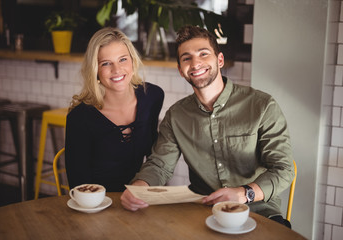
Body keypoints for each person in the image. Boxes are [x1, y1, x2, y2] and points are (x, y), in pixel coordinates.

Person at [120, 25, 295, 227]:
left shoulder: (262, 106)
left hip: (258, 212)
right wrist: (139, 188)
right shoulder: (176, 116)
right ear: (181, 70)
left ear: (219, 60)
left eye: (203, 54)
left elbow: (283, 169)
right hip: (202, 213)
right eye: (186, 58)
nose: (195, 63)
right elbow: (159, 165)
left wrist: (242, 193)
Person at [65, 27, 164, 192]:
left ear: (133, 61)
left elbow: (154, 157)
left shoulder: (152, 96)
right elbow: (78, 185)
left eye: (123, 59)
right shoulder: (80, 117)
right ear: (95, 70)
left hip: (140, 199)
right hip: (99, 205)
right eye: (106, 63)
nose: (117, 70)